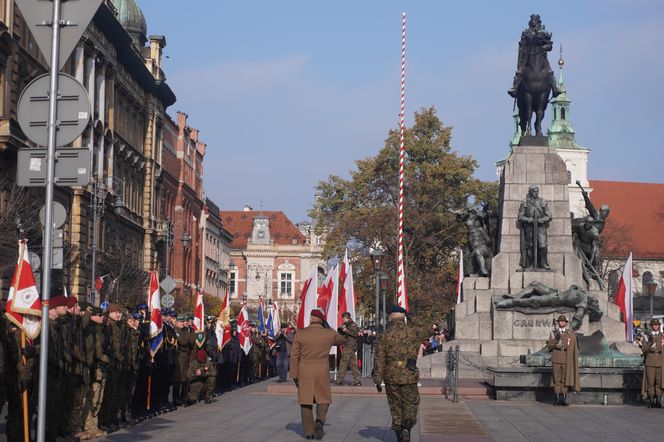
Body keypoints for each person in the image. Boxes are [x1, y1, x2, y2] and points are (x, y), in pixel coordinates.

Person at [373, 305, 427, 442]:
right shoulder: (414, 331)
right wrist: (412, 317)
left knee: (395, 406)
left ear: (390, 316)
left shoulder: (384, 334)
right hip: (409, 373)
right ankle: (407, 427)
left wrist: (377, 379)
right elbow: (427, 328)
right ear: (404, 316)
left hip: (391, 375)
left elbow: (379, 358)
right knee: (411, 403)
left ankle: (399, 436)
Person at [290, 307, 344, 440]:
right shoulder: (329, 333)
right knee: (323, 398)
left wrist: (294, 375)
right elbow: (342, 340)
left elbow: (294, 356)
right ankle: (320, 421)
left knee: (305, 401)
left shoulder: (301, 333)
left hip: (305, 370)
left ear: (311, 318)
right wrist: (328, 327)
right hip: (322, 370)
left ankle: (309, 433)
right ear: (322, 320)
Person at [546, 315, 580, 406]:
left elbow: (574, 346)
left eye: (563, 321)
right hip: (556, 357)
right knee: (556, 379)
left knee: (565, 378)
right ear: (558, 322)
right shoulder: (553, 333)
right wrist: (556, 339)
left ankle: (564, 398)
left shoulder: (570, 333)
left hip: (566, 358)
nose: (562, 322)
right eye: (560, 321)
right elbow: (549, 347)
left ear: (566, 323)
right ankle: (557, 398)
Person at [518, 185, 552, 270]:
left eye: (537, 192)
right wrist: (528, 219)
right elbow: (520, 216)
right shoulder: (525, 202)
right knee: (530, 245)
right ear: (530, 192)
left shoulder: (542, 202)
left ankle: (543, 263)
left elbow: (549, 215)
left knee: (542, 245)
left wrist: (543, 219)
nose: (535, 193)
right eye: (534, 192)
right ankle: (531, 264)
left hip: (540, 227)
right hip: (529, 227)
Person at [638, 318, 664, 408]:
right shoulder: (647, 337)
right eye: (654, 325)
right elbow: (644, 349)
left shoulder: (662, 336)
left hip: (660, 361)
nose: (656, 326)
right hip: (650, 361)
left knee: (659, 382)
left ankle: (659, 401)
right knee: (650, 382)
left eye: (657, 325)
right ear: (651, 326)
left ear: (659, 326)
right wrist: (650, 344)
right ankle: (651, 401)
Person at [335, 312, 361, 386]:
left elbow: (355, 334)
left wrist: (346, 330)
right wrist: (341, 329)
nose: (342, 320)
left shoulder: (352, 325)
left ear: (346, 318)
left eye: (343, 318)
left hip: (349, 346)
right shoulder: (346, 324)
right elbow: (342, 333)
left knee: (343, 363)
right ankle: (357, 380)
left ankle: (340, 379)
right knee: (353, 364)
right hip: (348, 346)